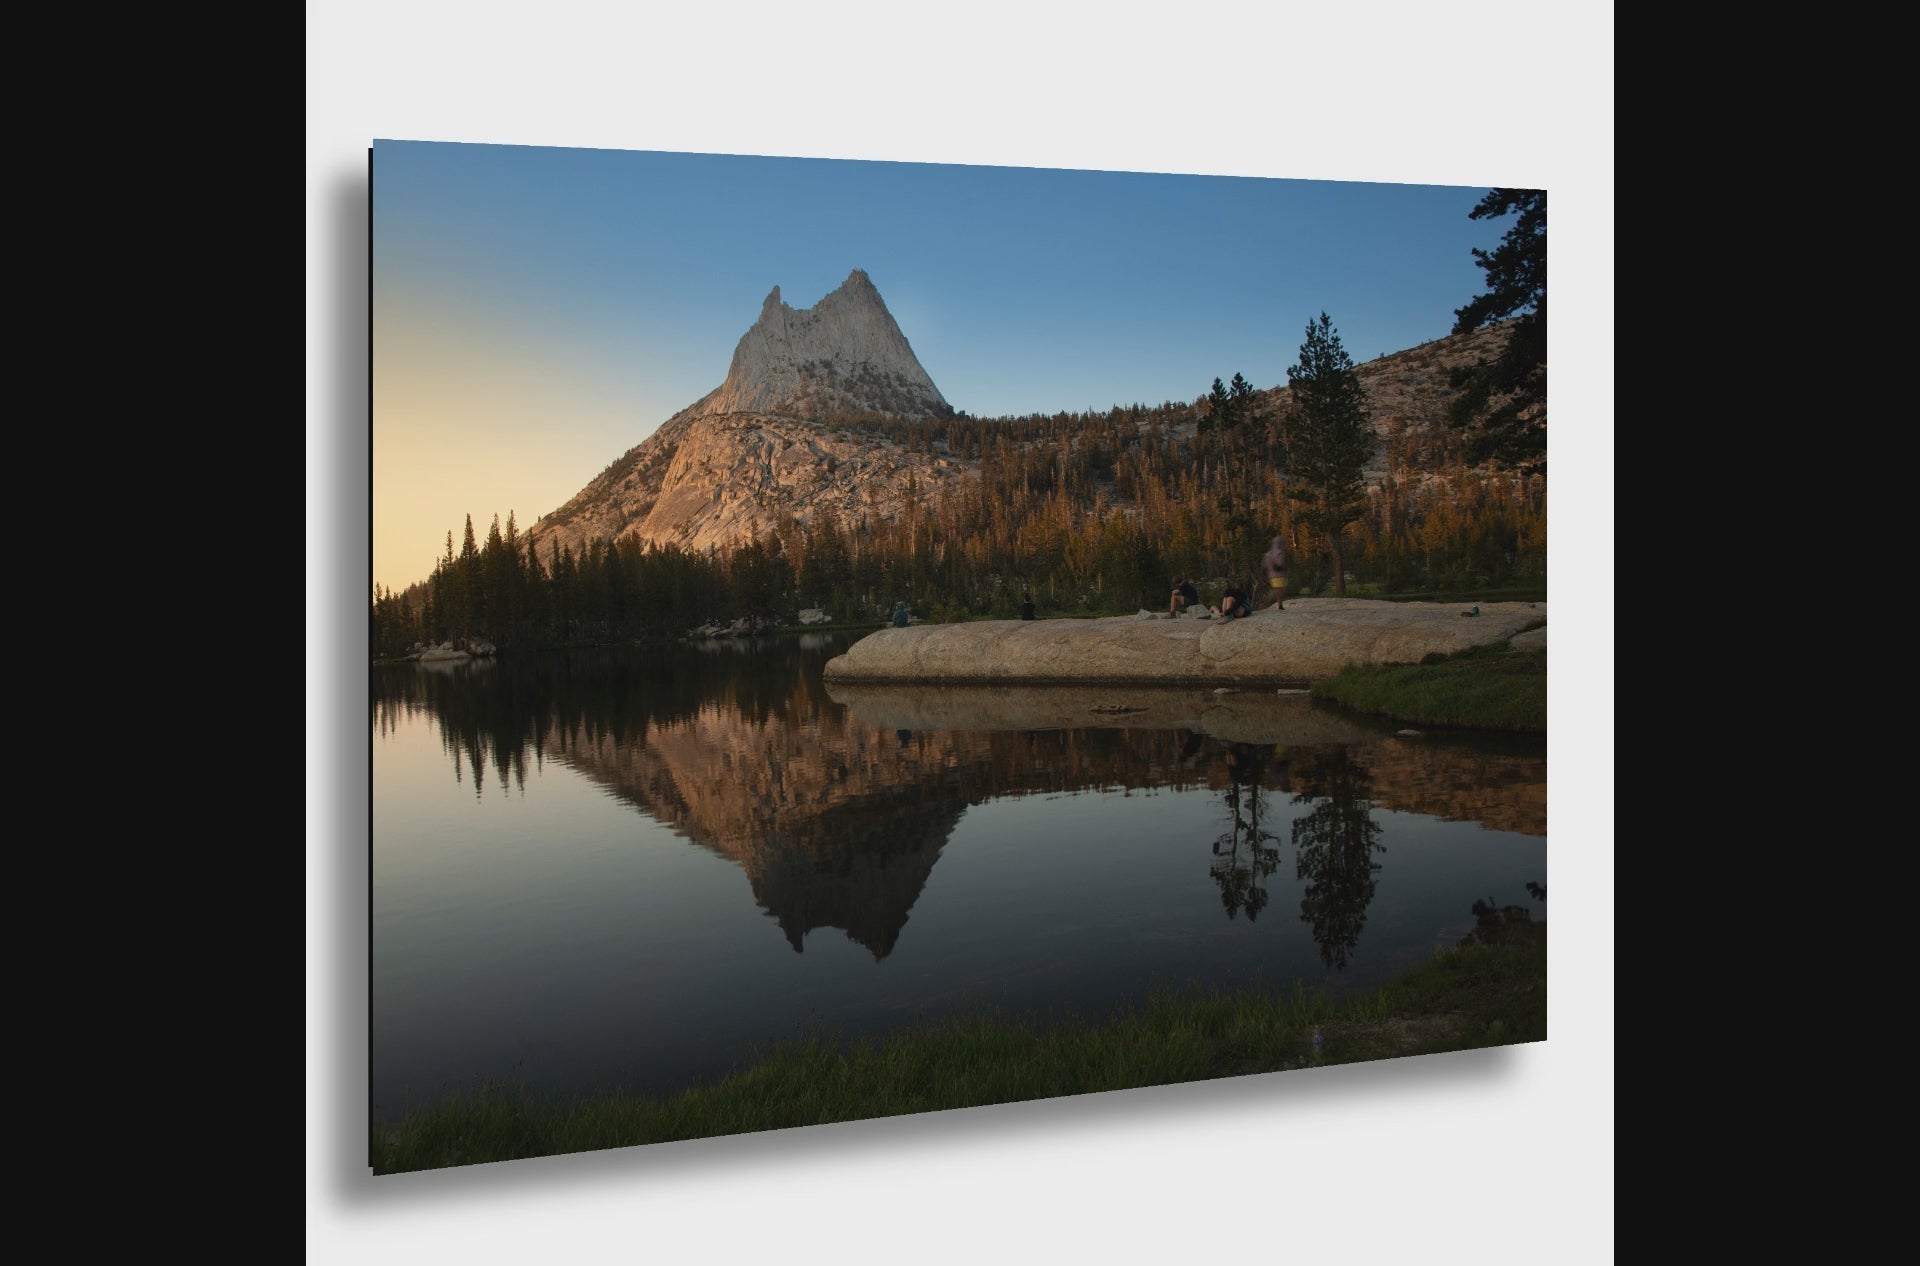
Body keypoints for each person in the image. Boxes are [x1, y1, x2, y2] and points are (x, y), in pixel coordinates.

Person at [1261, 535, 1289, 611]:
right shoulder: (1280, 553)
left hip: (1272, 575)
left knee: (1277, 590)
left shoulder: (1269, 553)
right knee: (1281, 591)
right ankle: (1279, 605)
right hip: (1280, 575)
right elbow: (1280, 564)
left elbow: (1264, 564)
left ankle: (1279, 605)